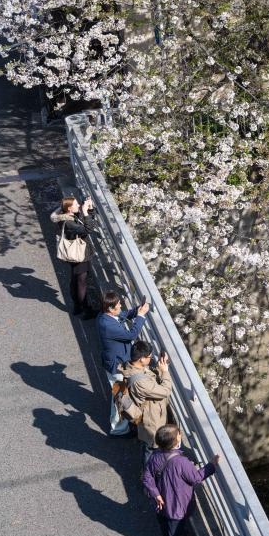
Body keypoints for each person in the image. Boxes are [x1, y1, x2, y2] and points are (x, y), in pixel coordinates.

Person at [142, 424, 219, 536]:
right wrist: (212, 465)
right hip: (176, 508)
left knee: (166, 530)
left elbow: (147, 476)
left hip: (160, 505)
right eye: (179, 434)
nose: (180, 435)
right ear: (175, 442)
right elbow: (196, 478)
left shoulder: (155, 455)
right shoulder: (181, 462)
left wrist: (155, 494)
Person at [96, 290, 150, 436]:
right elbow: (131, 335)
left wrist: (137, 309)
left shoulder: (106, 316)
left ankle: (123, 423)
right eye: (118, 305)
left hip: (116, 361)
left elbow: (124, 315)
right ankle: (118, 428)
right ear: (110, 309)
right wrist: (141, 316)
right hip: (116, 366)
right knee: (119, 397)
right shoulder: (108, 325)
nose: (121, 306)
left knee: (121, 395)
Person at [50, 195, 98, 317]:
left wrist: (90, 209)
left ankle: (77, 307)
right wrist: (86, 212)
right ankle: (86, 309)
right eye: (76, 204)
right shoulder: (68, 223)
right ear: (70, 209)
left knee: (76, 279)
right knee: (81, 282)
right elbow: (88, 229)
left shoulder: (68, 216)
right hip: (79, 254)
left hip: (74, 253)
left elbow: (88, 222)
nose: (79, 206)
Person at [124, 339, 173, 456]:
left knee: (151, 446)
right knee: (151, 448)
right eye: (150, 357)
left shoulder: (133, 367)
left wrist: (160, 366)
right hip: (151, 419)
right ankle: (147, 473)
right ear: (142, 359)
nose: (151, 359)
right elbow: (165, 391)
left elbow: (150, 378)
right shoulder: (140, 382)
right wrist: (165, 372)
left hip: (151, 414)